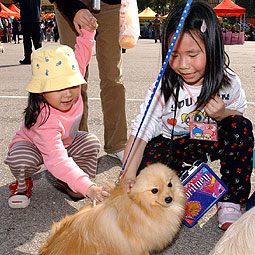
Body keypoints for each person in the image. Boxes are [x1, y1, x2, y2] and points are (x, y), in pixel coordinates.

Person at [122, 2, 254, 231]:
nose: (183, 65)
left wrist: (223, 113)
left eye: (193, 54)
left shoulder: (228, 81)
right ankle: (186, 185)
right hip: (176, 145)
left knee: (240, 127)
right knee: (148, 158)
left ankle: (232, 200)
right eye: (174, 55)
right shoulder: (163, 87)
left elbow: (238, 117)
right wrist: (128, 174)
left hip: (210, 140)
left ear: (212, 48)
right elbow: (140, 131)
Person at [5, 29, 110, 209]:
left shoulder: (72, 84)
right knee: (20, 158)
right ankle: (23, 186)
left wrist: (88, 31)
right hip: (34, 147)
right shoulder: (43, 118)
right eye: (57, 87)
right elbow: (56, 158)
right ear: (41, 90)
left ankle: (70, 179)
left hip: (65, 144)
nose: (68, 93)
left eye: (72, 84)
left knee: (90, 142)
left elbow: (82, 54)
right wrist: (90, 189)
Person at [49, 0, 127, 162]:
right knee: (73, 77)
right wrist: (73, 8)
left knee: (113, 77)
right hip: (71, 2)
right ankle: (77, 143)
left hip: (110, 5)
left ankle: (117, 144)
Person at [12, 0, 42, 64]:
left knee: (27, 40)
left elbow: (11, 1)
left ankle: (28, 58)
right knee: (37, 41)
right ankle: (40, 58)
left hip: (27, 19)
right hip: (37, 18)